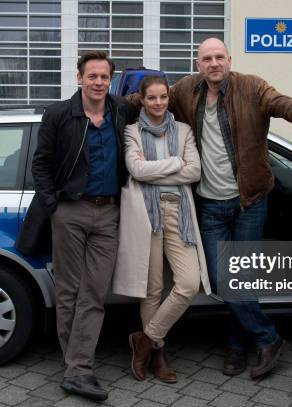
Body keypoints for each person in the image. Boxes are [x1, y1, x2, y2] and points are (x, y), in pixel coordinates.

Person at [167, 38, 292, 380]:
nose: (214, 63)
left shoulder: (252, 87)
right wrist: (106, 102)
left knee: (241, 278)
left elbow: (283, 104)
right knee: (221, 279)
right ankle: (268, 338)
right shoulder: (184, 91)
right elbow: (150, 101)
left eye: (219, 57)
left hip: (250, 203)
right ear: (197, 64)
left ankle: (236, 347)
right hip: (210, 206)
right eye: (206, 59)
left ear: (230, 60)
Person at [23, 51, 137, 401]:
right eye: (92, 76)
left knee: (94, 292)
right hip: (70, 210)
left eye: (104, 77)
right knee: (69, 291)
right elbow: (40, 165)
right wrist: (55, 206)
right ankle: (80, 369)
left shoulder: (120, 110)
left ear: (111, 81)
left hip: (109, 214)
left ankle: (75, 367)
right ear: (79, 78)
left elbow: (158, 98)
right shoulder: (59, 113)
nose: (98, 83)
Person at [112, 76, 211, 383]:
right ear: (141, 99)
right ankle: (158, 355)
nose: (157, 103)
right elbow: (136, 169)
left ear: (169, 98)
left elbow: (194, 171)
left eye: (162, 97)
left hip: (178, 213)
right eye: (151, 98)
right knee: (152, 287)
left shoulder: (183, 130)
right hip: (146, 214)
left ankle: (146, 338)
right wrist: (175, 163)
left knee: (188, 283)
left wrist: (154, 171)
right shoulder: (131, 132)